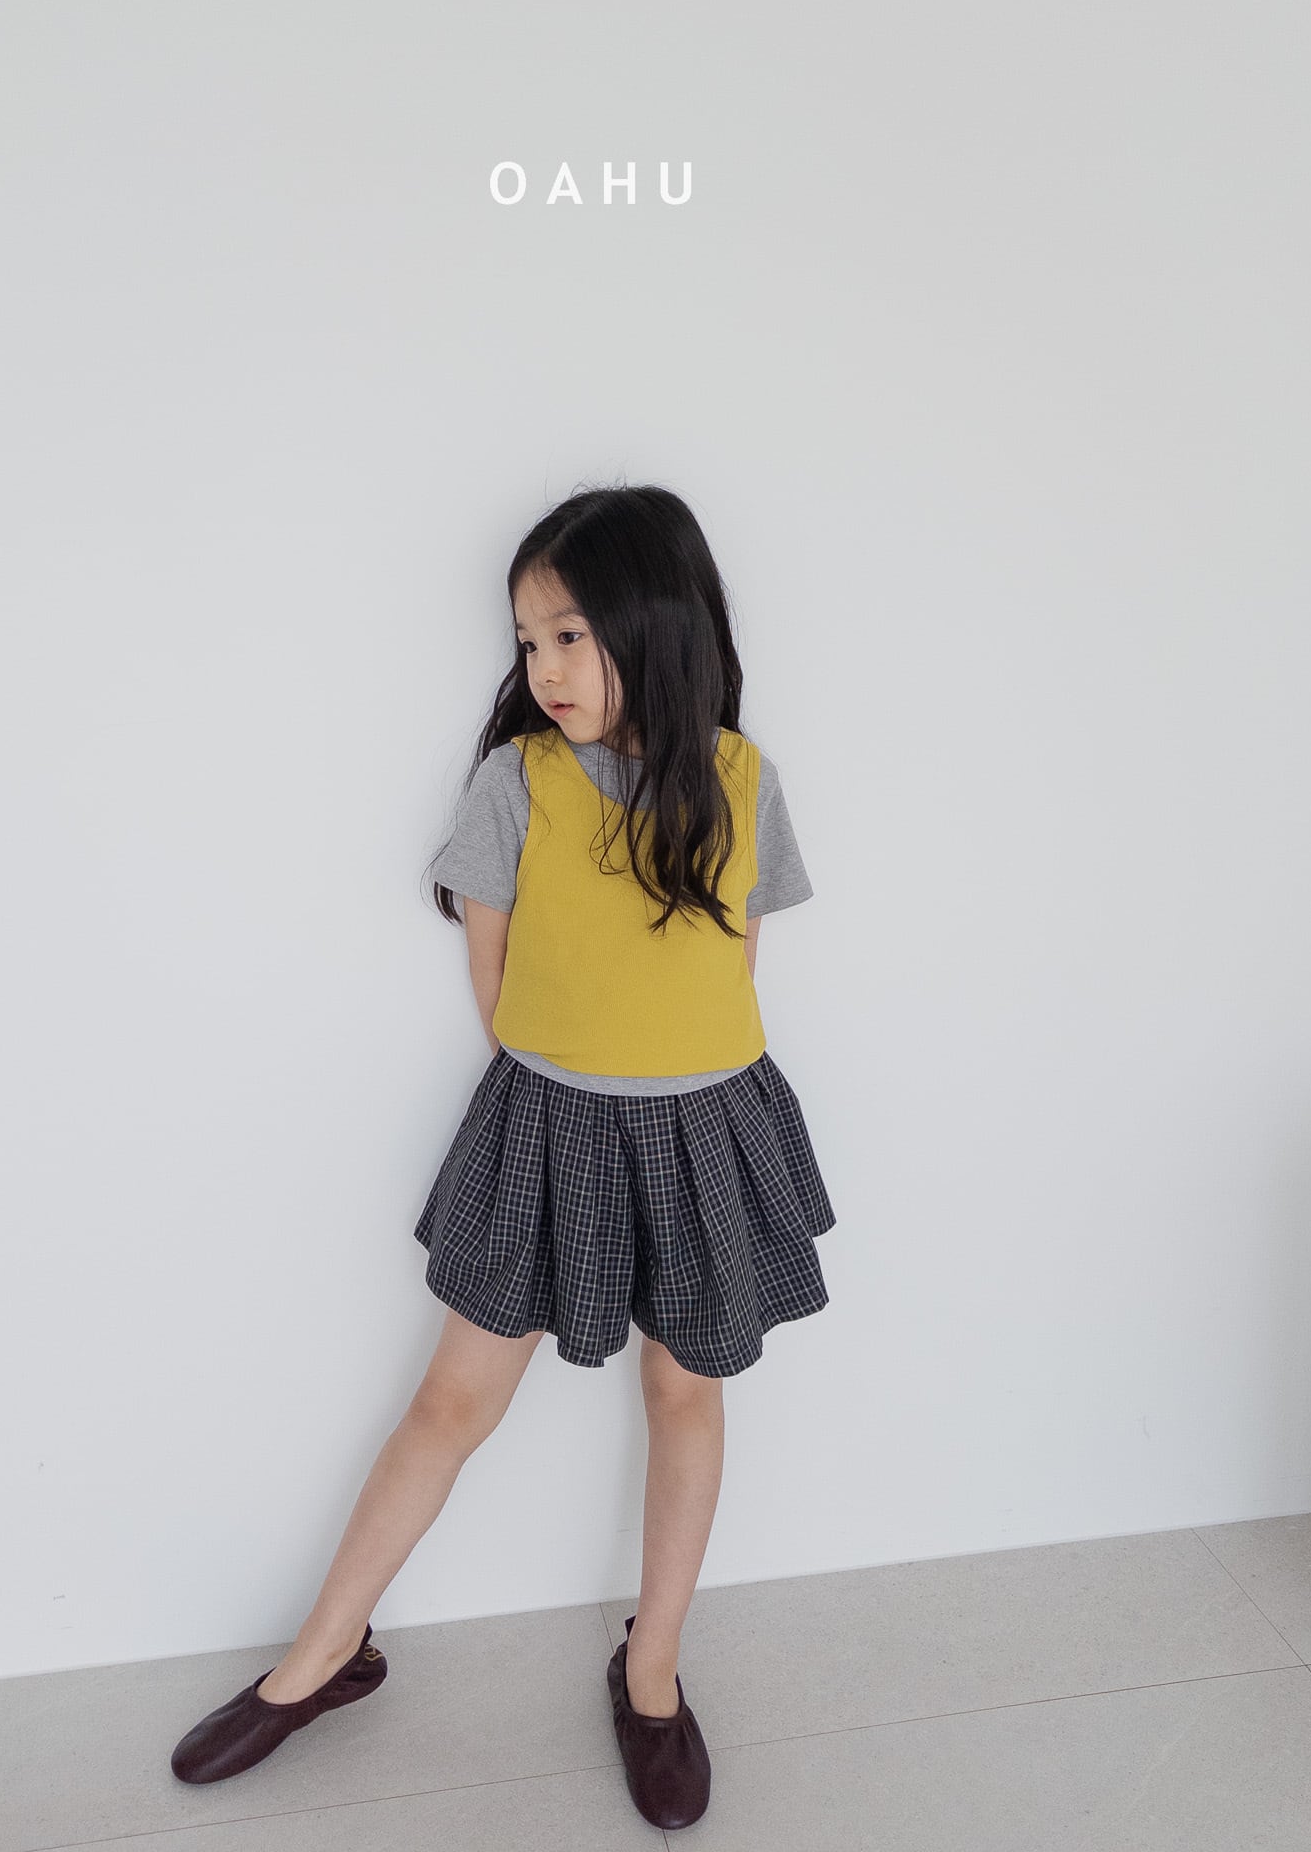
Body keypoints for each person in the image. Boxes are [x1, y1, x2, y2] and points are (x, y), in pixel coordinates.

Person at [170, 482, 837, 1830]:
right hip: (548, 1127)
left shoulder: (740, 778)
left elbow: (734, 967)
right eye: (529, 641)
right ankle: (322, 1658)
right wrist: (575, 1090)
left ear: (658, 625)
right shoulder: (516, 782)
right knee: (451, 1402)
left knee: (687, 1395)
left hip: (706, 1126)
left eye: (570, 636)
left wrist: (661, 1084)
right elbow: (494, 973)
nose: (544, 668)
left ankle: (651, 1672)